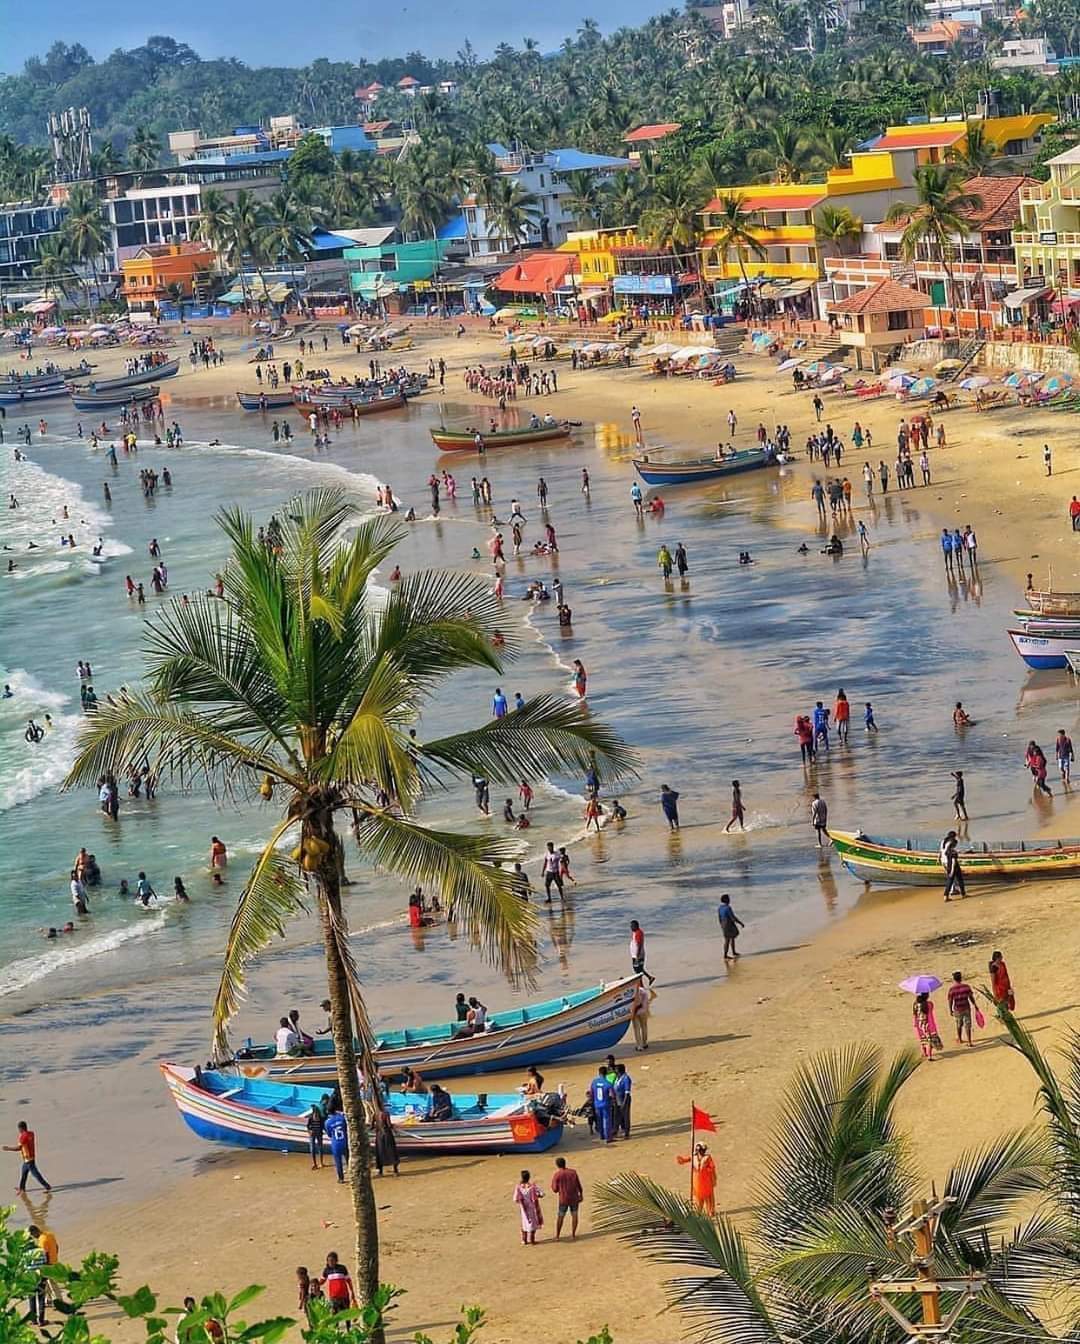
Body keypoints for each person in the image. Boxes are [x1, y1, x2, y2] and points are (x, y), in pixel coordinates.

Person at [5, 1120, 51, 1192]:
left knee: (36, 1175)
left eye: (19, 1129)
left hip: (28, 1159)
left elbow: (19, 1148)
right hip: (30, 1158)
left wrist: (8, 1148)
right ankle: (22, 1188)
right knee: (24, 1174)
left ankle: (47, 1186)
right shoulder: (31, 1134)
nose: (19, 1131)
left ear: (21, 1128)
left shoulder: (23, 1137)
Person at [677, 1143, 717, 1215]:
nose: (702, 1152)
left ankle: (711, 1211)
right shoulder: (693, 1158)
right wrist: (681, 1160)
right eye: (701, 1150)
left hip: (706, 1181)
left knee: (709, 1197)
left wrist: (714, 1179)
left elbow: (712, 1168)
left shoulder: (707, 1158)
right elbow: (685, 1160)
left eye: (703, 1150)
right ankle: (699, 1211)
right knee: (698, 1197)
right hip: (697, 1182)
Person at [550, 1156, 583, 1239]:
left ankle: (557, 1235)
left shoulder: (557, 1175)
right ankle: (573, 1234)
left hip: (563, 1199)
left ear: (557, 1165)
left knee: (561, 1216)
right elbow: (578, 1185)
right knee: (574, 1215)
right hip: (574, 1198)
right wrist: (581, 1195)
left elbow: (555, 1190)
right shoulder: (573, 1172)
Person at [947, 970, 977, 1047]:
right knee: (968, 1024)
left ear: (954, 979)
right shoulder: (966, 987)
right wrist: (975, 1005)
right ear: (961, 978)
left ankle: (960, 1039)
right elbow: (971, 997)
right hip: (966, 1007)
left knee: (959, 1024)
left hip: (958, 1009)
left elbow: (950, 1000)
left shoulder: (952, 989)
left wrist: (950, 1010)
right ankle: (969, 1041)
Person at [514, 1170, 545, 1244]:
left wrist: (522, 1201)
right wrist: (537, 1196)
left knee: (524, 1222)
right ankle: (532, 1240)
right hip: (532, 1207)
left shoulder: (518, 1187)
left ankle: (524, 1240)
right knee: (533, 1223)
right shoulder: (533, 1187)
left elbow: (515, 1199)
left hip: (523, 1208)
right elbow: (542, 1194)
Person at [590, 1065, 617, 1141]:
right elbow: (612, 1095)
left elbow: (591, 1093)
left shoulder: (594, 1082)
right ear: (606, 1073)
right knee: (607, 1120)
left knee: (599, 1120)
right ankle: (608, 1137)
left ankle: (601, 1135)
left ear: (599, 1073)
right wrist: (613, 1101)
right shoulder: (608, 1083)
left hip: (597, 1104)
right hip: (606, 1104)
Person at [912, 991, 939, 1061]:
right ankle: (929, 1056)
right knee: (930, 1040)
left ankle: (924, 1053)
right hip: (927, 1024)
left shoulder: (915, 1004)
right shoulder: (929, 1004)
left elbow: (915, 1015)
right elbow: (930, 1012)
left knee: (922, 1039)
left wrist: (915, 1023)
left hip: (919, 1024)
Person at [324, 1106, 349, 1183]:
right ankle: (353, 1175)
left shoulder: (327, 1122)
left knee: (338, 1162)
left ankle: (341, 1179)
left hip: (335, 1144)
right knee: (349, 1159)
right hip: (345, 1141)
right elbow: (346, 1128)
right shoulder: (342, 1118)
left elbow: (329, 1134)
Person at [941, 829, 966, 901]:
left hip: (949, 863)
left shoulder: (946, 845)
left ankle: (947, 895)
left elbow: (946, 853)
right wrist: (952, 870)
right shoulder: (952, 848)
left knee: (953, 879)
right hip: (953, 864)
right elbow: (951, 857)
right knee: (955, 879)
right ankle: (962, 894)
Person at [717, 894, 744, 960]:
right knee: (729, 939)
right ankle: (726, 955)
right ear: (726, 900)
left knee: (731, 938)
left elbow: (719, 918)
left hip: (723, 924)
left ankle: (733, 952)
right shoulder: (728, 908)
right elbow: (733, 917)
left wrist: (721, 925)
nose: (729, 900)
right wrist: (740, 923)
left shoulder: (720, 908)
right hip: (729, 924)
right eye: (728, 898)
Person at [629, 919, 655, 984]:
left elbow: (639, 944)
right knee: (639, 969)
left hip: (638, 955)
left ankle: (641, 985)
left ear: (636, 926)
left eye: (632, 926)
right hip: (635, 955)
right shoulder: (635, 932)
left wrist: (637, 955)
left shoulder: (638, 933)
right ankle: (650, 978)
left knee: (637, 971)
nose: (631, 927)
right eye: (630, 926)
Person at [630, 978, 652, 1051]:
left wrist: (633, 1013)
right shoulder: (642, 990)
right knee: (644, 1026)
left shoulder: (630, 993)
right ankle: (644, 1043)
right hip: (642, 1009)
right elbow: (646, 1003)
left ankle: (639, 1045)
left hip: (635, 1010)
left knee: (637, 1028)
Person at [613, 1062, 632, 1137]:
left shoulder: (626, 1078)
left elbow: (627, 1093)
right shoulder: (617, 1078)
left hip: (624, 1099)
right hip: (617, 1100)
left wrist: (624, 1103)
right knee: (616, 1116)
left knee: (626, 1116)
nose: (615, 1071)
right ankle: (615, 1131)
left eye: (616, 1070)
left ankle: (627, 1132)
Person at [306, 1105, 325, 1169]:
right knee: (312, 1148)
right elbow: (308, 1126)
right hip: (312, 1134)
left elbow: (323, 1126)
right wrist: (310, 1132)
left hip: (319, 1134)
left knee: (320, 1148)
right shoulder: (311, 1117)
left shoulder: (321, 1118)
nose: (316, 1114)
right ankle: (314, 1164)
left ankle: (321, 1163)